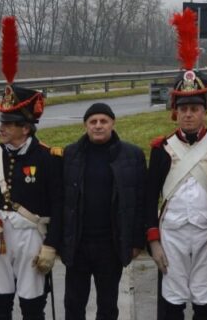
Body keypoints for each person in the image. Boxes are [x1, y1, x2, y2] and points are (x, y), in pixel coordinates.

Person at [146, 8, 207, 320]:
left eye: (195, 108)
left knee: (204, 301)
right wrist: (153, 241)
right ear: (176, 110)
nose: (189, 114)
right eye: (184, 108)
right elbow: (149, 198)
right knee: (172, 301)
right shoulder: (162, 148)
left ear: (204, 110)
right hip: (171, 232)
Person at [0, 15, 62, 320]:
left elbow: (58, 206)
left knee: (32, 306)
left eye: (9, 124)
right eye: (2, 123)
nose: (2, 129)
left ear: (26, 128)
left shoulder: (48, 158)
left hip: (31, 235)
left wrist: (51, 246)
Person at [60, 102, 147, 320]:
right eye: (93, 122)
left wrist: (137, 241)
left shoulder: (132, 155)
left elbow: (140, 201)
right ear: (85, 125)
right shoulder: (70, 154)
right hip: (78, 244)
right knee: (73, 304)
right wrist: (60, 240)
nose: (98, 126)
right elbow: (62, 201)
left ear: (112, 123)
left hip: (110, 245)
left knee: (107, 305)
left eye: (103, 121)